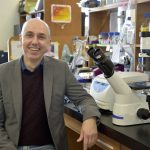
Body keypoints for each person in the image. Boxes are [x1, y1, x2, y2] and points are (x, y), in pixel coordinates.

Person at [0, 18, 101, 150]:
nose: (35, 42)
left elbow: (84, 99)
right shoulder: (3, 73)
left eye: (41, 37)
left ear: (48, 43)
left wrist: (90, 118)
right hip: (12, 146)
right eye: (29, 35)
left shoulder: (60, 69)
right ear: (21, 39)